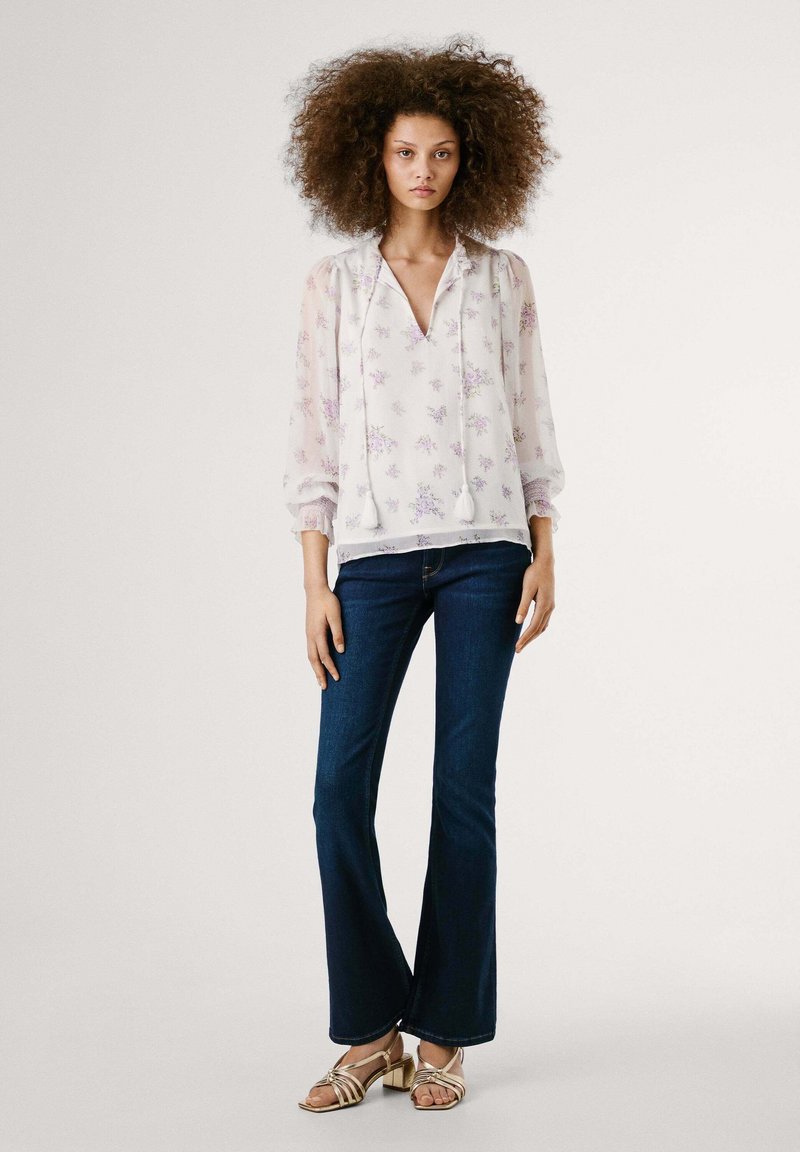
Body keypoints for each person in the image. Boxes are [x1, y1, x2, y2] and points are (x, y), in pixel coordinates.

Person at [281, 35, 565, 1112]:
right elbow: (312, 439)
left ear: (470, 158)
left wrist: (545, 548)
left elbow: (531, 418)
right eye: (406, 151)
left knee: (462, 789)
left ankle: (442, 1031)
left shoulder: (502, 279)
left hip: (489, 552)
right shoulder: (335, 286)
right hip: (371, 561)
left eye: (441, 152)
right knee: (336, 791)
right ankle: (371, 1030)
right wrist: (314, 582)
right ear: (372, 155)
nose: (424, 171)